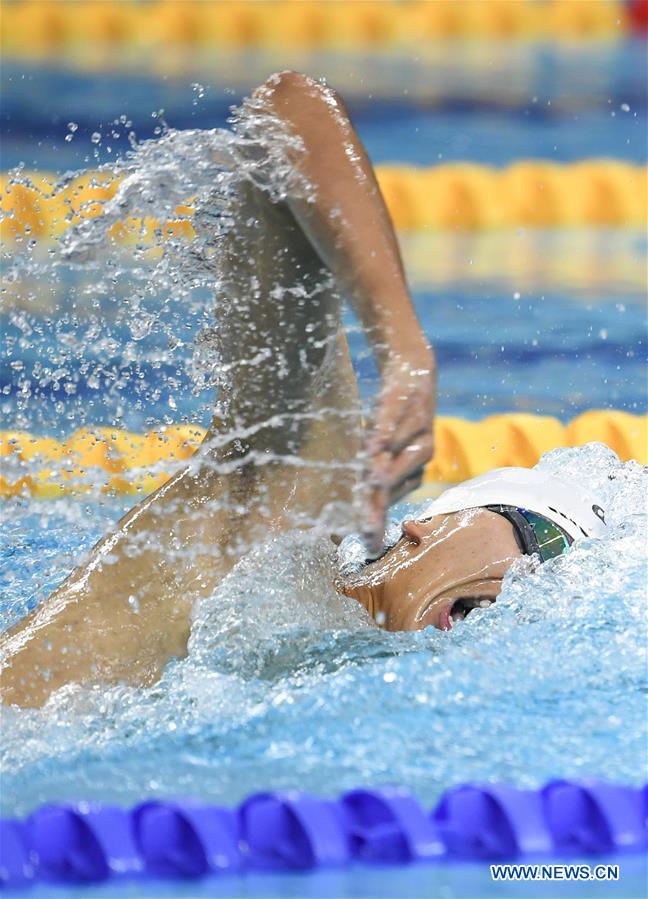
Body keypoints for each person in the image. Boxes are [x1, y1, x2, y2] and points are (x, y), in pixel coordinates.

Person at [0, 72, 606, 709]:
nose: (529, 589)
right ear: (424, 527)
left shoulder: (347, 682)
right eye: (541, 544)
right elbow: (286, 117)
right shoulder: (290, 513)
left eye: (549, 598)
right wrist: (403, 349)